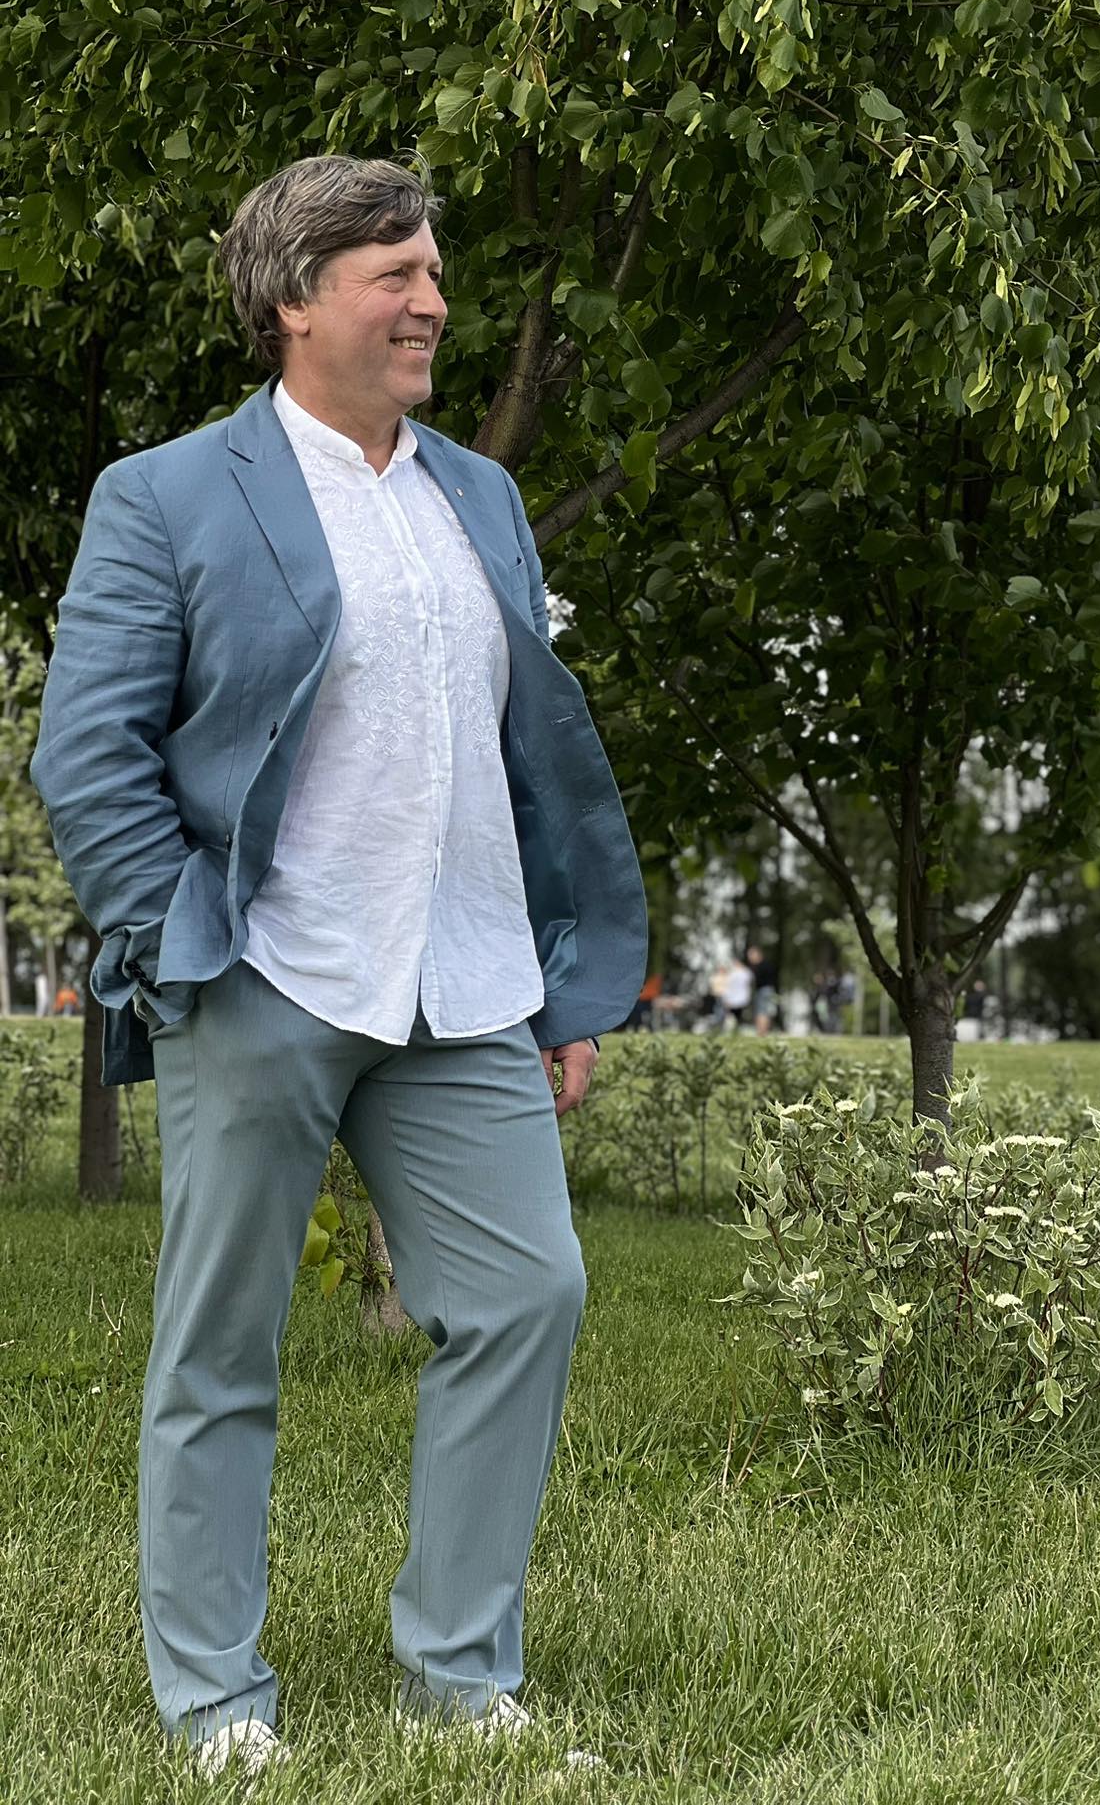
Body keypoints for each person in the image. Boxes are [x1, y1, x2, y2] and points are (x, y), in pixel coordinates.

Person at [30, 156, 646, 1778]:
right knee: (220, 1342)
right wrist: (180, 941)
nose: (433, 302)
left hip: (466, 983)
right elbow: (89, 755)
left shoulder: (480, 497)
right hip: (267, 975)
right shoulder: (166, 497)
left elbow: (522, 752)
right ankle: (216, 1701)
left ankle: (460, 1673)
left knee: (527, 1294)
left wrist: (559, 977)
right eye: (397, 275)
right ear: (296, 300)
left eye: (432, 271)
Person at [745, 944, 779, 1035]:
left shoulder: (761, 966)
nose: (750, 958)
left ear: (757, 954)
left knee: (762, 1011)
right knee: (765, 1011)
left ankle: (761, 1032)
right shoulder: (766, 965)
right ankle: (763, 1031)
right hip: (767, 990)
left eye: (751, 955)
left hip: (764, 990)